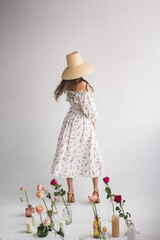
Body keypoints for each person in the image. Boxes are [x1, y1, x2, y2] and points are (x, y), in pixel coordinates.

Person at [51, 51, 106, 203]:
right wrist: (93, 121)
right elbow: (89, 109)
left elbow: (72, 103)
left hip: (70, 121)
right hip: (83, 122)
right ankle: (96, 192)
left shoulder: (68, 84)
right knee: (92, 153)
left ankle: (70, 193)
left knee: (69, 154)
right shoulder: (84, 85)